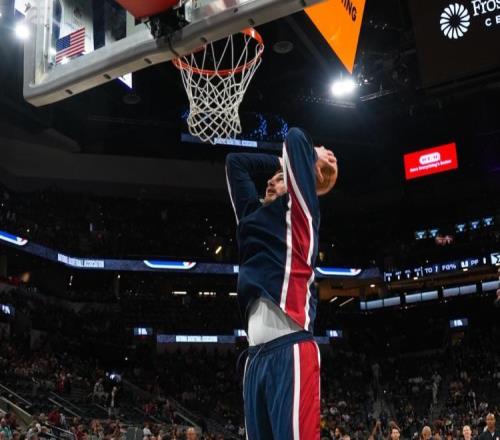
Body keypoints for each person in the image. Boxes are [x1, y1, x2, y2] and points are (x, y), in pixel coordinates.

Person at [225, 127, 338, 440]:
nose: (270, 182)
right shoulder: (250, 218)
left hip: (291, 347)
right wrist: (280, 162)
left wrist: (311, 155)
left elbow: (296, 138)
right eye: (271, 179)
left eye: (280, 177)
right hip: (254, 358)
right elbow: (235, 162)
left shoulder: (300, 211)